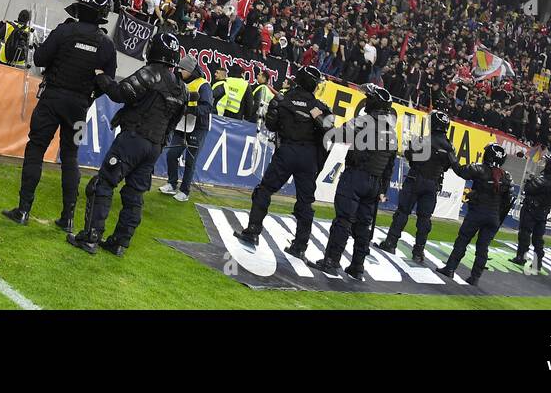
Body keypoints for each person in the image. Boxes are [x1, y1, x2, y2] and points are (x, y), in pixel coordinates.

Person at [67, 30, 188, 256]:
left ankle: (91, 237)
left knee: (102, 184)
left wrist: (101, 76)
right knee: (134, 194)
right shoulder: (182, 89)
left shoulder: (151, 72)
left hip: (134, 138)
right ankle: (119, 243)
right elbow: (173, 123)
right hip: (154, 146)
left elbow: (121, 93)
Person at [3, 0, 116, 230]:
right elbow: (108, 82)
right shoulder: (106, 43)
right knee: (70, 157)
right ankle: (68, 218)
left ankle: (23, 209)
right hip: (78, 107)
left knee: (36, 149)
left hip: (52, 99)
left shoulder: (64, 31)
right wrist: (90, 95)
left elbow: (40, 59)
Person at [232, 64, 332, 260]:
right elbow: (330, 134)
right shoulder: (319, 107)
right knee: (305, 203)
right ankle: (300, 246)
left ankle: (252, 231)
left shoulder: (282, 100)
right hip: (308, 157)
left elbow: (271, 125)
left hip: (286, 152)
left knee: (264, 190)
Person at [316, 84, 398, 280]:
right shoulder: (392, 132)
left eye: (369, 98)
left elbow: (335, 135)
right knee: (364, 226)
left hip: (355, 177)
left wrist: (320, 117)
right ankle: (357, 266)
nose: (366, 101)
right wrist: (382, 189)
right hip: (375, 184)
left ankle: (331, 260)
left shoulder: (363, 121)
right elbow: (390, 165)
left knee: (343, 220)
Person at [377, 109, 456, 263]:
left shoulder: (422, 140)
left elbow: (409, 155)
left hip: (415, 179)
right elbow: (448, 165)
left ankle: (391, 243)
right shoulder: (449, 146)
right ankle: (418, 252)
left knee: (402, 212)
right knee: (425, 219)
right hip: (433, 183)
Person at [437, 143, 514, 287]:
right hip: (493, 217)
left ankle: (450, 268)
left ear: (488, 155)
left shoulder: (480, 168)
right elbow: (508, 201)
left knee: (463, 240)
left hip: (477, 213)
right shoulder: (507, 177)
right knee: (483, 247)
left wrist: (451, 154)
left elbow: (460, 171)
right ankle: (475, 277)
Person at [160, 55, 217, 202]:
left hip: (199, 127)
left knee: (190, 160)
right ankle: (172, 183)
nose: (179, 71)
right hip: (181, 124)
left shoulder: (203, 85)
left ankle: (185, 191)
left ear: (190, 70)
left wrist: (189, 110)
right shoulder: (180, 82)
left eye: (182, 69)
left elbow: (207, 107)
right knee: (172, 154)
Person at [512, 153, 551, 271]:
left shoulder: (542, 179)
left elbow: (528, 189)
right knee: (538, 238)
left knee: (525, 233)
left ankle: (521, 257)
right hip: (544, 212)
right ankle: (537, 262)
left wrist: (529, 181)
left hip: (531, 210)